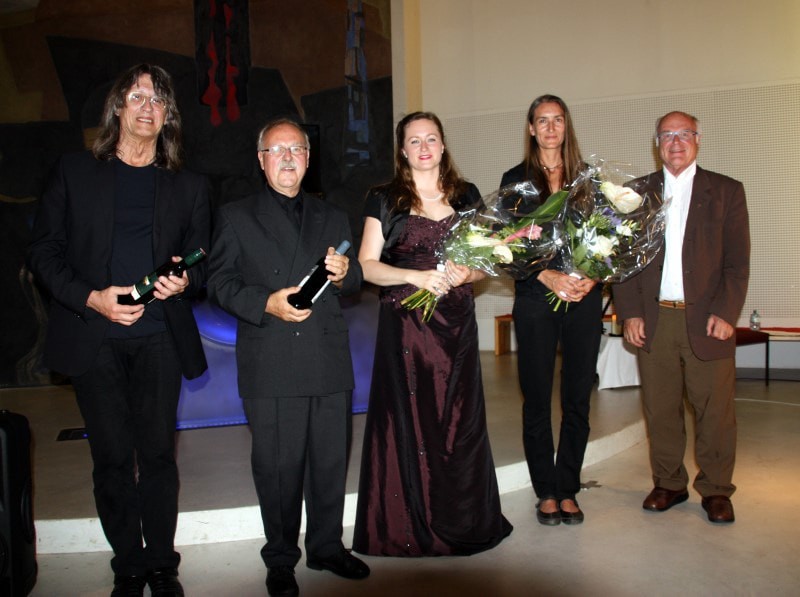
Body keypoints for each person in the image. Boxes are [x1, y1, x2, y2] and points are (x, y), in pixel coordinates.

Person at [28, 63, 210, 597]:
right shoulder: (74, 172)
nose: (147, 107)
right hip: (95, 338)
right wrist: (93, 298)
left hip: (160, 340)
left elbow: (202, 264)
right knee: (110, 458)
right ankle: (128, 566)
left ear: (168, 116)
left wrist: (186, 281)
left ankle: (162, 565)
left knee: (157, 456)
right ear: (117, 108)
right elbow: (43, 253)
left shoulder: (191, 186)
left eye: (157, 100)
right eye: (136, 97)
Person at [207, 118, 368, 596]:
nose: (287, 158)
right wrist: (266, 303)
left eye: (296, 149)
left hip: (326, 355)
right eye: (277, 151)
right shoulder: (236, 215)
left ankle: (326, 547)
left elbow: (355, 279)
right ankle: (280, 557)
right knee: (277, 467)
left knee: (329, 462)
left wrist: (345, 273)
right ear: (261, 161)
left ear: (308, 159)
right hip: (272, 357)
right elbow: (219, 283)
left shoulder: (332, 215)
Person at [353, 111, 512, 556]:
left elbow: (488, 262)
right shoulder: (384, 198)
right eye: (414, 141)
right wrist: (414, 277)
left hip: (456, 327)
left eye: (431, 139)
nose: (424, 147)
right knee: (411, 419)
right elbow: (366, 266)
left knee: (458, 422)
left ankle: (461, 518)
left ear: (443, 145)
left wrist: (467, 275)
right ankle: (408, 525)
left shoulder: (467, 195)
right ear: (403, 151)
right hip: (406, 328)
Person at [613, 111, 750, 523]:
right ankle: (668, 483)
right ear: (657, 144)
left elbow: (737, 263)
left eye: (684, 133)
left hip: (708, 319)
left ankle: (716, 488)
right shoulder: (635, 195)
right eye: (667, 135)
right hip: (655, 319)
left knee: (715, 411)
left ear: (698, 139)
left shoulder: (726, 191)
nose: (675, 142)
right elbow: (623, 262)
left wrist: (726, 312)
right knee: (660, 408)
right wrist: (630, 313)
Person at [499, 94, 601, 526]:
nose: (551, 128)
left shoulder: (588, 178)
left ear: (566, 125)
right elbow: (506, 244)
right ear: (531, 128)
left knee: (578, 397)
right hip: (536, 297)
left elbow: (607, 239)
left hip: (584, 297)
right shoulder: (515, 180)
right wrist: (547, 276)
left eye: (558, 119)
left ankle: (568, 487)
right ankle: (545, 490)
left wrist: (592, 275)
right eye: (542, 120)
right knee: (537, 397)